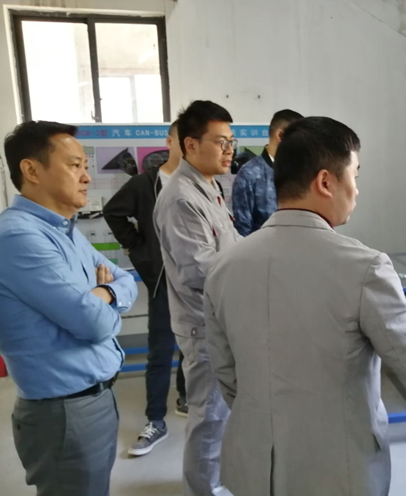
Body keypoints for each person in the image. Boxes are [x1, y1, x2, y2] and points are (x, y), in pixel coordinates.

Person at [204, 117, 406, 496]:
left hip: (254, 470)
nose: (357, 190)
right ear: (325, 182)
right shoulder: (364, 268)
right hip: (337, 473)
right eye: (355, 176)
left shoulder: (224, 266)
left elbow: (228, 378)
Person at [0, 121, 138, 496]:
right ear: (31, 170)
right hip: (63, 412)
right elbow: (91, 323)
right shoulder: (19, 237)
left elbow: (126, 282)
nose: (87, 177)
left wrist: (101, 292)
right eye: (75, 165)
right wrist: (102, 298)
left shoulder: (65, 231)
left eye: (85, 166)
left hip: (93, 400)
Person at [154, 101, 240, 496]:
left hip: (222, 319)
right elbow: (201, 271)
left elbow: (231, 246)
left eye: (231, 141)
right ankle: (203, 490)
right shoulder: (181, 199)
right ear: (190, 144)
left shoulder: (209, 186)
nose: (229, 150)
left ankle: (215, 481)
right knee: (210, 416)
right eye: (220, 142)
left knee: (222, 414)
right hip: (203, 325)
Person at [103, 121, 188, 457]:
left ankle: (185, 397)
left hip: (195, 281)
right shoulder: (145, 184)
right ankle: (155, 420)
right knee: (160, 352)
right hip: (163, 281)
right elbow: (113, 213)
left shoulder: (200, 182)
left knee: (193, 346)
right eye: (184, 139)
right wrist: (138, 249)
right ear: (171, 141)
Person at [232, 109, 303, 236]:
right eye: (298, 139)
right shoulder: (249, 173)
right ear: (280, 136)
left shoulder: (300, 172)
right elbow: (242, 229)